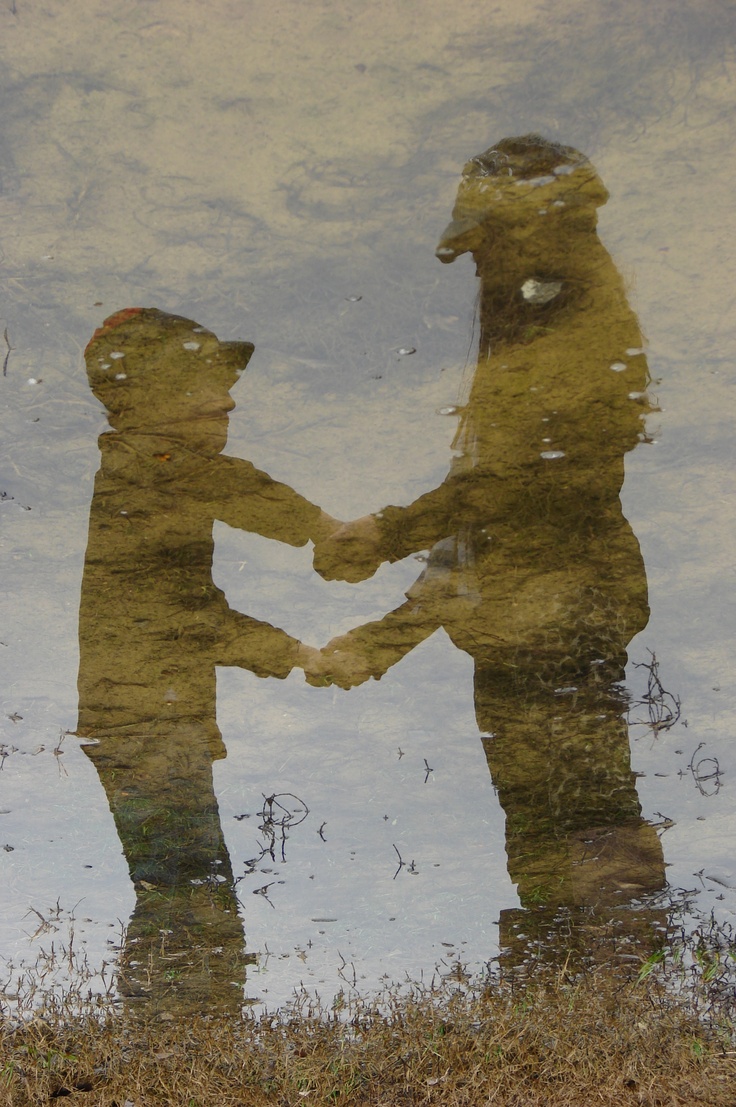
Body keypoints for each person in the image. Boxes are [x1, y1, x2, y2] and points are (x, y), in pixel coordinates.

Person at [311, 137, 666, 961]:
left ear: (538, 226)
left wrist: (390, 532)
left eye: (490, 241)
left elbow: (525, 491)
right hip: (519, 624)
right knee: (542, 824)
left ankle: (619, 1020)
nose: (478, 265)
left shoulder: (573, 311)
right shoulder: (533, 311)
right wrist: (388, 635)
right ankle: (559, 1008)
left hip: (564, 615)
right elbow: (487, 524)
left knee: (589, 820)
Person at [76, 307, 340, 1011]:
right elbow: (230, 492)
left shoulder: (144, 477)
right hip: (146, 723)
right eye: (203, 384)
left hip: (151, 719)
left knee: (185, 892)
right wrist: (326, 531)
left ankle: (177, 1050)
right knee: (189, 900)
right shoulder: (151, 466)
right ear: (151, 399)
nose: (227, 399)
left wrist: (295, 652)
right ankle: (179, 1051)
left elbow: (195, 608)